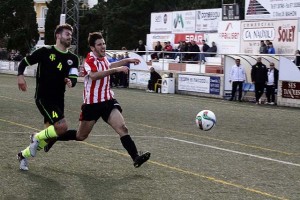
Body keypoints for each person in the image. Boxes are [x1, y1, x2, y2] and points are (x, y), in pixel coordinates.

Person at [45, 32, 151, 168]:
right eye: (99, 44)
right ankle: (56, 137)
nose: (103, 46)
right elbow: (94, 76)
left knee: (122, 128)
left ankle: (135, 157)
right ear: (92, 48)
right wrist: (117, 69)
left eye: (104, 43)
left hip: (107, 101)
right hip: (92, 105)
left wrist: (127, 61)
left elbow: (109, 66)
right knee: (80, 136)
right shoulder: (89, 60)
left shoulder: (104, 57)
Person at [17, 24, 79, 170]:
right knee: (62, 127)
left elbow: (74, 76)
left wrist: (71, 81)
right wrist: (20, 76)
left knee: (52, 135)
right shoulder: (45, 51)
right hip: (43, 97)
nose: (70, 36)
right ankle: (35, 136)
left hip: (59, 99)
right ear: (58, 35)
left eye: (71, 34)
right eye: (67, 34)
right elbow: (24, 62)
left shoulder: (73, 58)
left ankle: (23, 155)